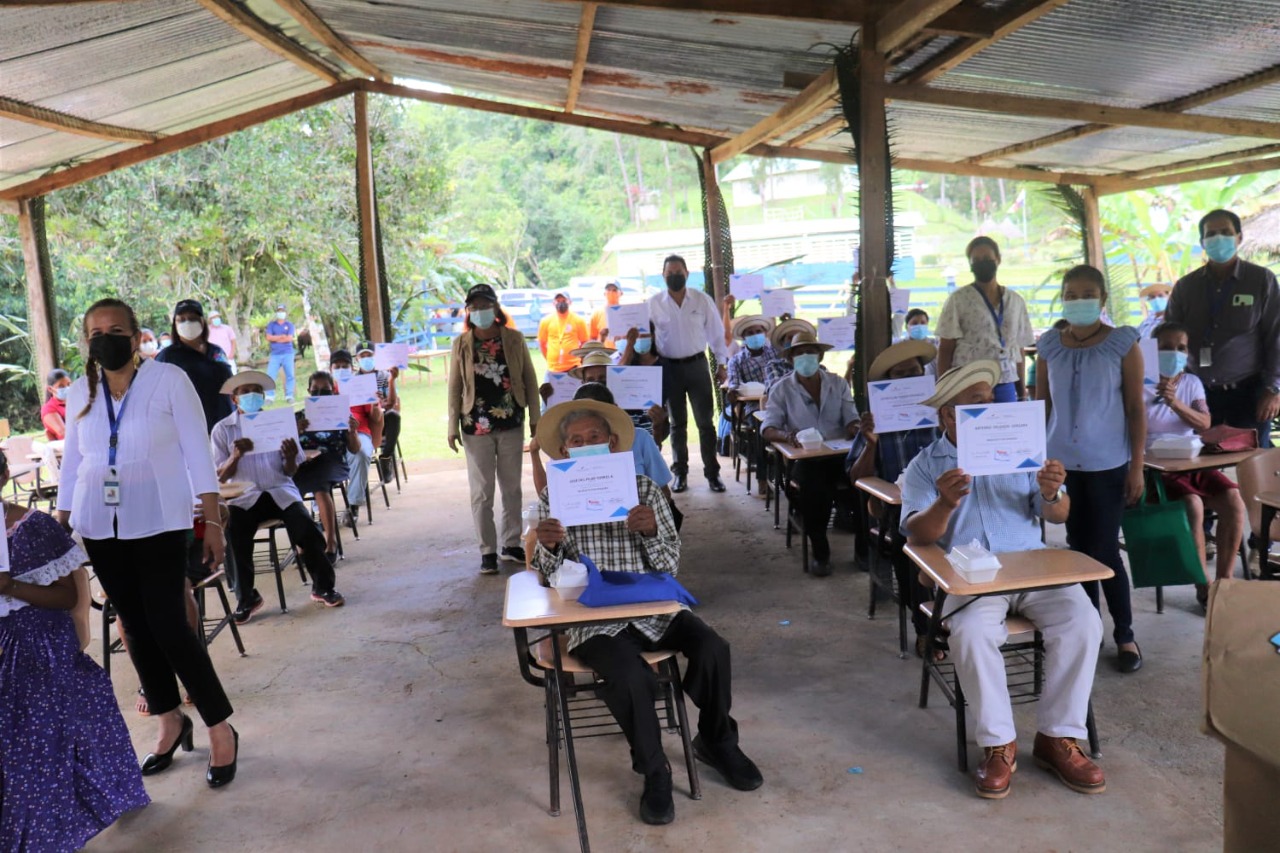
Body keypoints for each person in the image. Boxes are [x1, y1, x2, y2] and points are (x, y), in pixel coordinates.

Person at [531, 399, 762, 825]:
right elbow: (547, 578)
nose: (585, 445)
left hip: (653, 606)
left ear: (614, 443)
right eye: (575, 441)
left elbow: (670, 564)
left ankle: (716, 741)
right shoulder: (553, 497)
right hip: (595, 619)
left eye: (594, 438)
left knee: (713, 647)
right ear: (564, 453)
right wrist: (547, 546)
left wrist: (652, 530)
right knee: (631, 676)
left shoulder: (644, 490)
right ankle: (655, 771)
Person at [56, 298, 239, 789]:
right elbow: (73, 465)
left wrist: (215, 521)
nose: (104, 338)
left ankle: (220, 726)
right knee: (132, 625)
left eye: (115, 329)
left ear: (136, 338)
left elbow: (198, 454)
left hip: (159, 518)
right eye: (95, 331)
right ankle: (168, 718)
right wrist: (60, 523)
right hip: (100, 524)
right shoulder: (79, 393)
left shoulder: (168, 380)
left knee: (169, 625)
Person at [902, 360, 1105, 801]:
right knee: (972, 633)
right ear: (948, 415)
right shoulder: (925, 465)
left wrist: (1051, 492)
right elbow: (918, 534)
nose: (990, 410)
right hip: (970, 575)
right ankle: (998, 744)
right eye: (977, 403)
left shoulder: (1021, 448)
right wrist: (944, 503)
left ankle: (1057, 737)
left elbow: (1054, 514)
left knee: (1084, 621)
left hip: (1033, 566)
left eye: (991, 400)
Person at [0, 450, 151, 849]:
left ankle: (41, 827)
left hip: (38, 635)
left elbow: (68, 595)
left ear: (2, 475)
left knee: (31, 719)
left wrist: (10, 586)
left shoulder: (34, 528)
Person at [1035, 264, 1145, 674]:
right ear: (1063, 299)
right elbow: (1041, 405)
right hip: (1060, 465)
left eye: (1087, 294)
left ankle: (1126, 634)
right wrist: (1032, 459)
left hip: (1108, 464)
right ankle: (1088, 630)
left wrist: (1137, 466)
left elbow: (1135, 409)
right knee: (1077, 549)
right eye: (1071, 293)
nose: (1078, 300)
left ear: (1101, 300)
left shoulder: (1122, 343)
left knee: (1103, 550)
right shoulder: (1050, 345)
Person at [212, 371, 344, 621]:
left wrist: (292, 456)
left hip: (279, 490)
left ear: (262, 397)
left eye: (256, 391)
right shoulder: (223, 430)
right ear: (235, 399)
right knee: (235, 534)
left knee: (305, 527)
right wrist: (235, 456)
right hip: (244, 497)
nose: (251, 395)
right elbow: (219, 476)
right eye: (245, 391)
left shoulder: (279, 423)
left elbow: (289, 471)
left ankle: (324, 586)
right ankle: (246, 597)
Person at [847, 339, 940, 655]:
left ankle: (961, 616)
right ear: (888, 383)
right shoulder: (877, 419)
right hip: (898, 510)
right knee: (912, 546)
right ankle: (926, 629)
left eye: (915, 372)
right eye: (901, 375)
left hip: (946, 504)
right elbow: (856, 477)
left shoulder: (941, 414)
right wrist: (871, 442)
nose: (910, 380)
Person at [1146, 321, 1246, 609]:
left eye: (1180, 348)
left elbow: (1204, 422)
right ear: (1152, 350)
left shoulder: (1191, 383)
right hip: (1157, 469)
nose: (1173, 353)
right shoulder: (1138, 383)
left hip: (1192, 460)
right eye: (1166, 347)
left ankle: (1224, 585)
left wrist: (1175, 402)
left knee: (1233, 500)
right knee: (1192, 504)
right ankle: (1204, 586)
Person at [1166, 208, 1280, 448]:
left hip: (1249, 391)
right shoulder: (1185, 288)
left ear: (1239, 237)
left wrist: (1274, 389)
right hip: (1198, 393)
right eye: (1212, 234)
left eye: (1226, 232)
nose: (1218, 238)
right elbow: (1167, 339)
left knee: (1254, 461)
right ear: (1202, 242)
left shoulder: (1261, 280)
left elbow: (1276, 337)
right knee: (1200, 462)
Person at [447, 283, 538, 575]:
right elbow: (454, 387)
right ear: (468, 311)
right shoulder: (461, 343)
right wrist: (452, 425)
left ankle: (510, 544)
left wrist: (536, 419)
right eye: (474, 307)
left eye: (485, 306)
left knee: (512, 487)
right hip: (475, 425)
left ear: (496, 309)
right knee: (482, 491)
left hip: (511, 420)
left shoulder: (513, 338)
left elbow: (529, 379)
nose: (480, 311)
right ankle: (487, 550)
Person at [760, 331, 859, 576]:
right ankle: (821, 553)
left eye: (810, 352)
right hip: (806, 458)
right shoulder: (781, 389)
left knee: (864, 487)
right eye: (799, 353)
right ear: (792, 358)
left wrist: (855, 427)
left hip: (839, 455)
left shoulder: (838, 383)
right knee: (814, 493)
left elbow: (851, 418)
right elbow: (768, 428)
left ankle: (864, 552)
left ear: (820, 355)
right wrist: (789, 436)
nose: (806, 357)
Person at [647, 255, 728, 493]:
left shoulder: (701, 300)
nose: (674, 276)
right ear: (663, 276)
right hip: (668, 368)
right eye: (670, 272)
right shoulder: (654, 303)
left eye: (678, 272)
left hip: (697, 366)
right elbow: (644, 336)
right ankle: (679, 473)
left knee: (705, 423)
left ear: (687, 273)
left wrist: (721, 364)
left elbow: (716, 333)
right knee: (676, 424)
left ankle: (712, 474)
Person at [935, 236, 1035, 402]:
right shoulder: (958, 300)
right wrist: (944, 393)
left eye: (988, 259)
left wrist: (1022, 392)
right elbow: (946, 349)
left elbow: (1018, 350)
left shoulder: (1015, 301)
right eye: (977, 260)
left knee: (1008, 426)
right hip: (969, 384)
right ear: (970, 264)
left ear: (998, 260)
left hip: (1006, 382)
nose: (983, 263)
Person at [294, 370, 358, 565]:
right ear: (308, 391)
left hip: (332, 461)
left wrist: (352, 431)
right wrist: (295, 431)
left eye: (326, 391)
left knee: (321, 488)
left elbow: (354, 449)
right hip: (304, 462)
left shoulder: (342, 415)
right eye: (315, 391)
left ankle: (330, 543)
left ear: (334, 391)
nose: (320, 395)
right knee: (289, 493)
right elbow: (283, 447)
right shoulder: (299, 418)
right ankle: (302, 546)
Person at [155, 298, 233, 433]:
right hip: (192, 430)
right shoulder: (167, 357)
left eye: (192, 318)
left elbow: (230, 385)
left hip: (226, 425)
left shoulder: (216, 351)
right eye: (182, 319)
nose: (187, 323)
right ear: (175, 324)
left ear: (202, 321)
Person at [330, 349, 382, 526]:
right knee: (317, 461)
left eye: (345, 366)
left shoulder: (361, 387)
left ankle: (353, 506)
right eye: (337, 367)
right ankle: (319, 510)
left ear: (352, 368)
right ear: (330, 369)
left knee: (360, 454)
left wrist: (375, 405)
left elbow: (374, 418)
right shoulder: (326, 388)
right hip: (330, 437)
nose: (341, 369)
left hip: (360, 432)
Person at [726, 314, 776, 495]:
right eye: (750, 333)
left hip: (779, 402)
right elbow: (734, 384)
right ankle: (763, 478)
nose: (755, 335)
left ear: (764, 333)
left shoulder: (775, 353)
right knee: (764, 431)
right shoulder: (736, 361)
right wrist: (732, 392)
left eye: (758, 331)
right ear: (744, 337)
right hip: (754, 407)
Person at [354, 342, 401, 480]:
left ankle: (386, 457)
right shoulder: (353, 380)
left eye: (369, 355)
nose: (366, 358)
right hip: (362, 422)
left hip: (382, 419)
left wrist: (392, 381)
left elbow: (391, 404)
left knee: (393, 416)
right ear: (357, 358)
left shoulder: (384, 376)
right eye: (363, 356)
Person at [537, 292, 589, 374]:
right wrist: (551, 359)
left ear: (570, 302)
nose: (561, 303)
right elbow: (542, 343)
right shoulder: (545, 321)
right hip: (553, 368)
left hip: (574, 367)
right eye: (558, 301)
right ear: (553, 303)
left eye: (564, 300)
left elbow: (584, 343)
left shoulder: (579, 320)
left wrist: (580, 359)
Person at [264, 303, 297, 404]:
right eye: (279, 311)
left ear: (285, 312)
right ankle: (269, 397)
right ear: (276, 312)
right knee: (270, 375)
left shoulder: (289, 325)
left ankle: (289, 396)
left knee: (290, 375)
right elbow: (268, 338)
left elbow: (289, 339)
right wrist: (281, 337)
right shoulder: (271, 325)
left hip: (288, 353)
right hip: (275, 354)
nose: (281, 313)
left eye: (282, 311)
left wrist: (276, 338)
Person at [41, 367, 72, 441]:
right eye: (61, 386)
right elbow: (64, 433)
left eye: (69, 384)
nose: (67, 388)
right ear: (50, 389)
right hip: (67, 447)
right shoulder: (49, 409)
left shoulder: (74, 402)